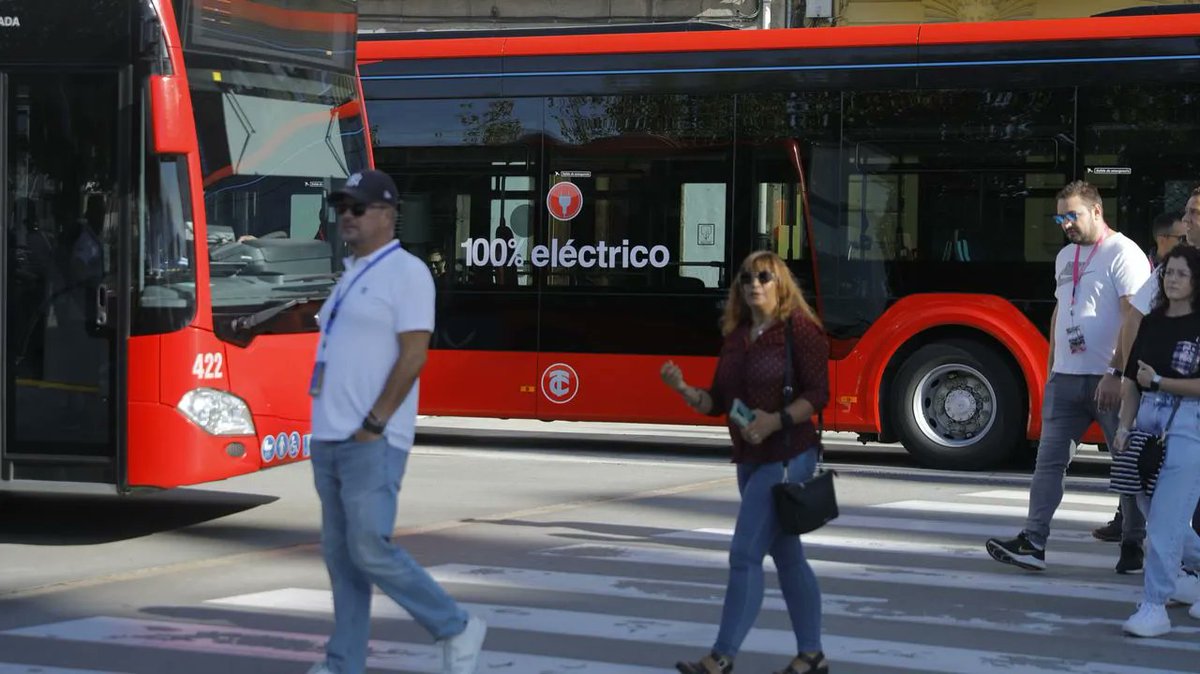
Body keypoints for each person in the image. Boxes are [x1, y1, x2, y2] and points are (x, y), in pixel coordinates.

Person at [306, 169, 486, 674]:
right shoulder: (351, 274)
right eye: (342, 206)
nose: (346, 215)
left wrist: (375, 422)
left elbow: (414, 355)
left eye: (358, 208)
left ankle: (455, 625)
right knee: (343, 561)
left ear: (388, 214)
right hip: (330, 436)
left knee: (368, 548)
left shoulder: (407, 272)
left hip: (370, 437)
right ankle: (343, 663)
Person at [661, 250, 830, 674]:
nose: (754, 283)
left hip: (788, 456)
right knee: (788, 556)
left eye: (764, 276)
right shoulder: (737, 336)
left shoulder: (800, 332)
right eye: (746, 278)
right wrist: (683, 388)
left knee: (744, 554)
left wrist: (775, 421)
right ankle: (812, 656)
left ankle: (721, 656)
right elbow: (718, 400)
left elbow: (819, 394)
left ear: (781, 284)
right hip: (749, 457)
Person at [986, 181, 1149, 573]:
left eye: (1072, 215)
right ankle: (1033, 540)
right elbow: (1062, 312)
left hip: (1109, 380)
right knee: (1048, 463)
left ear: (1097, 211)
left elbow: (1134, 318)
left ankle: (1134, 546)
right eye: (1061, 217)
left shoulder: (1123, 252)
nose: (1066, 224)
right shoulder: (1065, 257)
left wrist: (1117, 372)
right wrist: (1050, 370)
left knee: (1126, 465)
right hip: (1067, 378)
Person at [1115, 244, 1200, 636]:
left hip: (1189, 425)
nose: (1173, 280)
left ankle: (1154, 606)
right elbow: (1131, 377)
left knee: (1166, 520)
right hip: (1148, 424)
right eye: (1168, 272)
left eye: (1182, 273)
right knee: (1158, 515)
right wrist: (1124, 426)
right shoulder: (1152, 321)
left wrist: (1162, 382)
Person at [1093, 211, 1188, 542]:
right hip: (1163, 398)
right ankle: (1138, 539)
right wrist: (1128, 374)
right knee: (1148, 473)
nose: (1189, 220)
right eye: (1188, 213)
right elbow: (1134, 317)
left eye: (1195, 213)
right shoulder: (1167, 270)